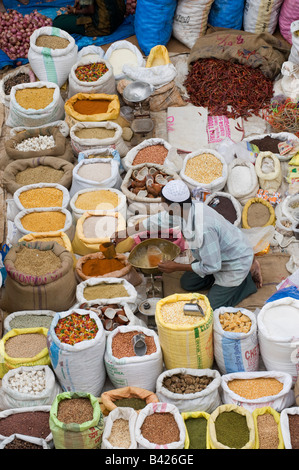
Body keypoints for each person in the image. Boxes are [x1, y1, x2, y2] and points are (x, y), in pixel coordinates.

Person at [114, 180, 262, 310]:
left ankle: (246, 281)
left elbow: (213, 267)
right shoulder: (187, 208)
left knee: (208, 308)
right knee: (187, 283)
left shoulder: (202, 229)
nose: (162, 206)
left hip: (233, 263)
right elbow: (159, 220)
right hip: (215, 256)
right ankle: (217, 279)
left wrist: (176, 266)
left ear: (174, 206)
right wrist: (126, 232)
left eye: (164, 203)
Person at [52, 0, 126, 37]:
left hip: (103, 27)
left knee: (58, 22)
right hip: (118, 19)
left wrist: (74, 11)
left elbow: (90, 10)